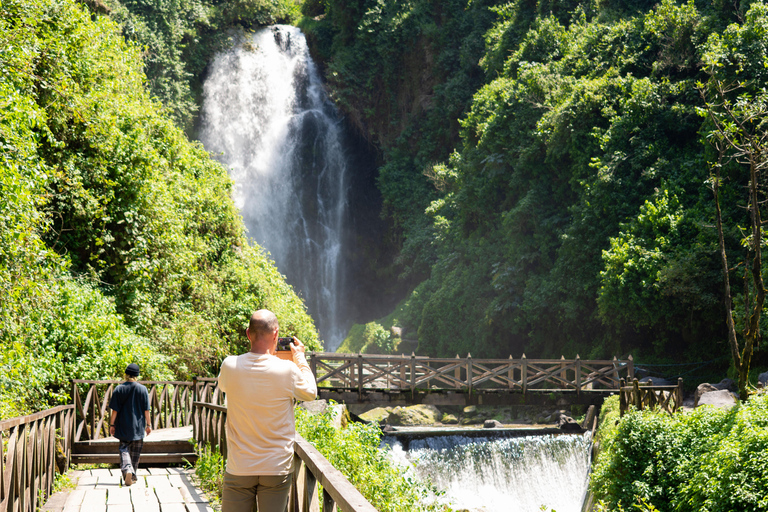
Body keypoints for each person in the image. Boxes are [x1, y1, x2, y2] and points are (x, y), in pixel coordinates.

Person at [218, 309, 317, 512]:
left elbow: (225, 386)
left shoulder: (229, 365)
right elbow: (311, 393)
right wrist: (299, 358)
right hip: (276, 467)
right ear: (276, 335)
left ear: (248, 334)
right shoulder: (287, 370)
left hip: (240, 466)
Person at [109, 363, 151, 486]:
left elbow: (114, 410)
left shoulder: (119, 389)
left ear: (126, 374)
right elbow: (146, 410)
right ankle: (132, 475)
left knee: (124, 449)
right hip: (138, 427)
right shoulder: (143, 389)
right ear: (137, 375)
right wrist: (148, 425)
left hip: (123, 426)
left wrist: (112, 425)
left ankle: (128, 470)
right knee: (135, 453)